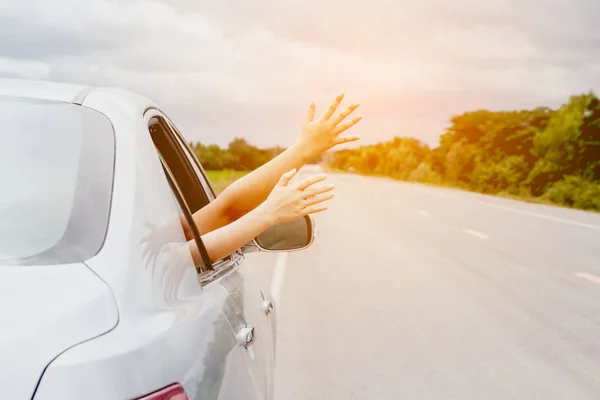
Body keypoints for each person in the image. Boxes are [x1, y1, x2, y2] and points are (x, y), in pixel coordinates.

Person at [144, 94, 361, 270]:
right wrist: (268, 212)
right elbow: (178, 260)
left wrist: (304, 149)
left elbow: (225, 211)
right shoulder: (138, 257)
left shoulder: (138, 237)